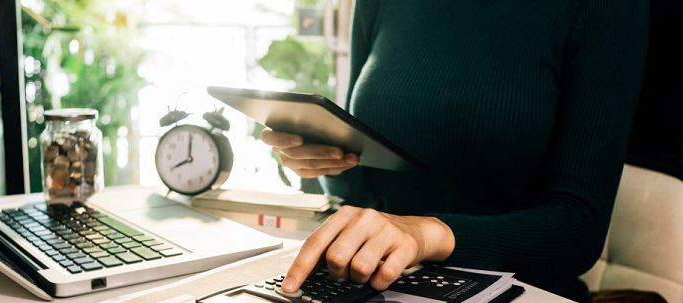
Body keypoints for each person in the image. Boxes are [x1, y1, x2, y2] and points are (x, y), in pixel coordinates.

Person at [259, 0, 650, 302]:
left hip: (518, 292)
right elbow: (364, 189)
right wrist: (327, 160)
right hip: (373, 284)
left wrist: (426, 233)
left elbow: (579, 229)